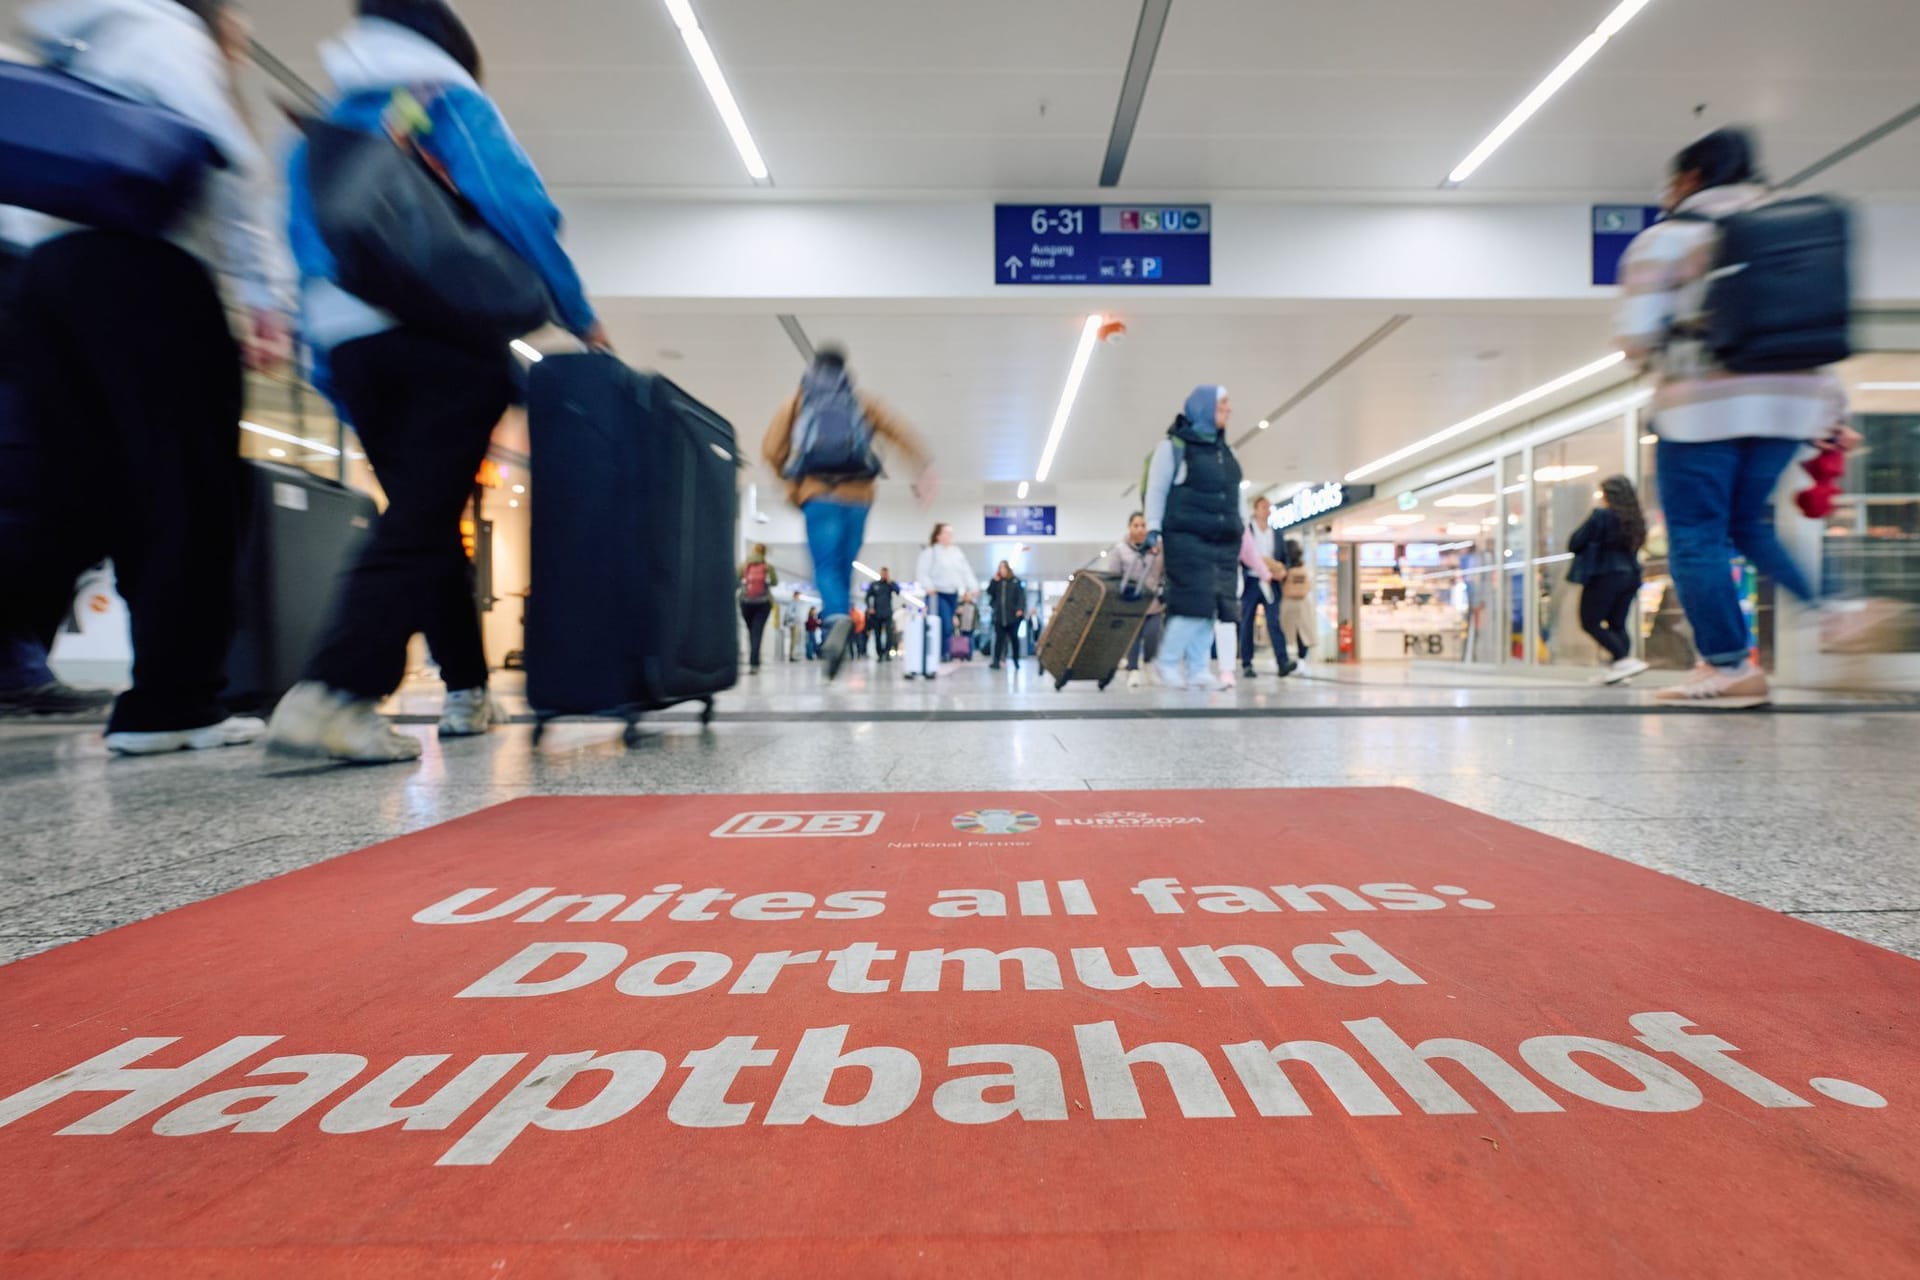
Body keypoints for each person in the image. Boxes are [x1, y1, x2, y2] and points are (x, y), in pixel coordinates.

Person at [269, 0, 607, 761]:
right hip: (441, 338)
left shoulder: (320, 136)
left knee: (423, 519)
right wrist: (577, 312)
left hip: (352, 348)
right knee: (421, 522)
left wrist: (327, 370)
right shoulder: (441, 99)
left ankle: (464, 688)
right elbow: (516, 205)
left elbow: (303, 255)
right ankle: (333, 692)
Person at [2, 0, 289, 753]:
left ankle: (153, 697)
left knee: (73, 496)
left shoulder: (73, 47)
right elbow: (224, 155)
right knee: (186, 494)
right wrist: (265, 292)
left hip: (46, 277)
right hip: (148, 274)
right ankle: (172, 703)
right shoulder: (166, 32)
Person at [1617, 127, 1847, 705]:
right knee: (1747, 522)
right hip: (1793, 405)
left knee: (1696, 534)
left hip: (1703, 409)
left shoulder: (1666, 240)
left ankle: (1726, 666)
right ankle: (1839, 606)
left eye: (1672, 181)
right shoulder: (1795, 230)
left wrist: (1650, 353)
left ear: (1690, 179)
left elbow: (1639, 335)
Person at [764, 346, 930, 681]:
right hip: (859, 496)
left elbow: (771, 448)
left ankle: (837, 616)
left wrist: (791, 484)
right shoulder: (861, 401)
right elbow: (899, 430)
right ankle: (839, 616)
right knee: (844, 564)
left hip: (818, 495)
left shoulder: (799, 400)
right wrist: (922, 468)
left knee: (826, 566)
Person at [1144, 386, 1244, 691]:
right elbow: (1157, 489)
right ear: (1204, 407)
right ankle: (1167, 662)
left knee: (1213, 605)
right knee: (1192, 601)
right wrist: (1153, 527)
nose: (1229, 409)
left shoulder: (1226, 452)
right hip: (1187, 537)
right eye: (1222, 403)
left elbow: (1235, 496)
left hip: (1223, 540)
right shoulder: (1173, 447)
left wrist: (1241, 528)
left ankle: (1199, 668)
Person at [1569, 477, 1650, 685]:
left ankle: (1623, 660)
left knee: (1589, 620)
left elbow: (1575, 542)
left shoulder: (1601, 516)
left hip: (1605, 573)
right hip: (1631, 574)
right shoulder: (1637, 519)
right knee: (1617, 623)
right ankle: (1620, 670)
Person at [1237, 496, 1293, 679]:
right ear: (1255, 509)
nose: (1266, 510)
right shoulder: (1248, 531)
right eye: (1263, 507)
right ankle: (1247, 662)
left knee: (1274, 621)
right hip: (1252, 581)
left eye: (1268, 507)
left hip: (1272, 582)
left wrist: (1282, 571)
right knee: (1247, 622)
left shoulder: (1276, 533)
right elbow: (1243, 555)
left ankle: (1282, 661)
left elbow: (1284, 557)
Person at [1109, 512, 1166, 689]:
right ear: (1130, 527)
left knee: (1152, 634)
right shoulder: (1120, 549)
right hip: (1130, 602)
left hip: (1154, 602)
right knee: (1133, 637)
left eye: (1143, 525)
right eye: (1136, 525)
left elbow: (1165, 571)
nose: (1140, 529)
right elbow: (1114, 576)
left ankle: (1149, 663)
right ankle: (1133, 670)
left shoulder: (1159, 548)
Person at [916, 523, 980, 664]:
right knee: (945, 625)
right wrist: (929, 587)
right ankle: (942, 653)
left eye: (951, 533)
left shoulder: (956, 553)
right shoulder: (930, 552)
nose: (950, 536)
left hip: (952, 594)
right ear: (938, 535)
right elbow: (922, 572)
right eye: (946, 532)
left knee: (948, 626)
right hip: (937, 594)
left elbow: (966, 571)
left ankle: (944, 652)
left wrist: (973, 587)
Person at [738, 543, 777, 674]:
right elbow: (775, 582)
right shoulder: (768, 566)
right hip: (763, 603)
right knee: (757, 632)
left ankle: (754, 660)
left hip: (745, 602)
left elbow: (737, 580)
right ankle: (754, 663)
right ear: (764, 553)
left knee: (751, 632)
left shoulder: (743, 566)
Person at [1278, 538, 1315, 666]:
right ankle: (1302, 660)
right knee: (1303, 633)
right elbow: (1309, 585)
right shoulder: (1304, 568)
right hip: (1303, 603)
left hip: (1286, 603)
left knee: (1284, 631)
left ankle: (1283, 658)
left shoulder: (1284, 569)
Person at [987, 561, 1026, 671]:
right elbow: (989, 592)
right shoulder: (997, 582)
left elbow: (1021, 597)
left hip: (1013, 617)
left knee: (1014, 640)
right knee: (999, 640)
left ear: (1008, 569)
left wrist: (1020, 608)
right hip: (999, 617)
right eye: (1000, 568)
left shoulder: (1015, 581)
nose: (1002, 570)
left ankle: (1016, 660)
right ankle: (996, 661)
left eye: (1003, 568)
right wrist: (994, 581)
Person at [865, 569, 900, 662]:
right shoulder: (874, 585)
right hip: (876, 614)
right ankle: (880, 654)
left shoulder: (890, 584)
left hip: (887, 613)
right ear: (880, 573)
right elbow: (867, 597)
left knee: (889, 634)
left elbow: (898, 591)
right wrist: (870, 608)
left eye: (886, 573)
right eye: (883, 573)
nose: (884, 575)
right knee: (877, 635)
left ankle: (887, 653)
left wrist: (890, 582)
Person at [954, 595, 979, 661]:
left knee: (970, 640)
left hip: (971, 626)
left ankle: (969, 655)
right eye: (965, 595)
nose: (967, 597)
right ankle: (962, 655)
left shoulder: (974, 605)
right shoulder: (960, 604)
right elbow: (956, 614)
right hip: (962, 626)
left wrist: (976, 625)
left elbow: (977, 616)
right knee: (962, 641)